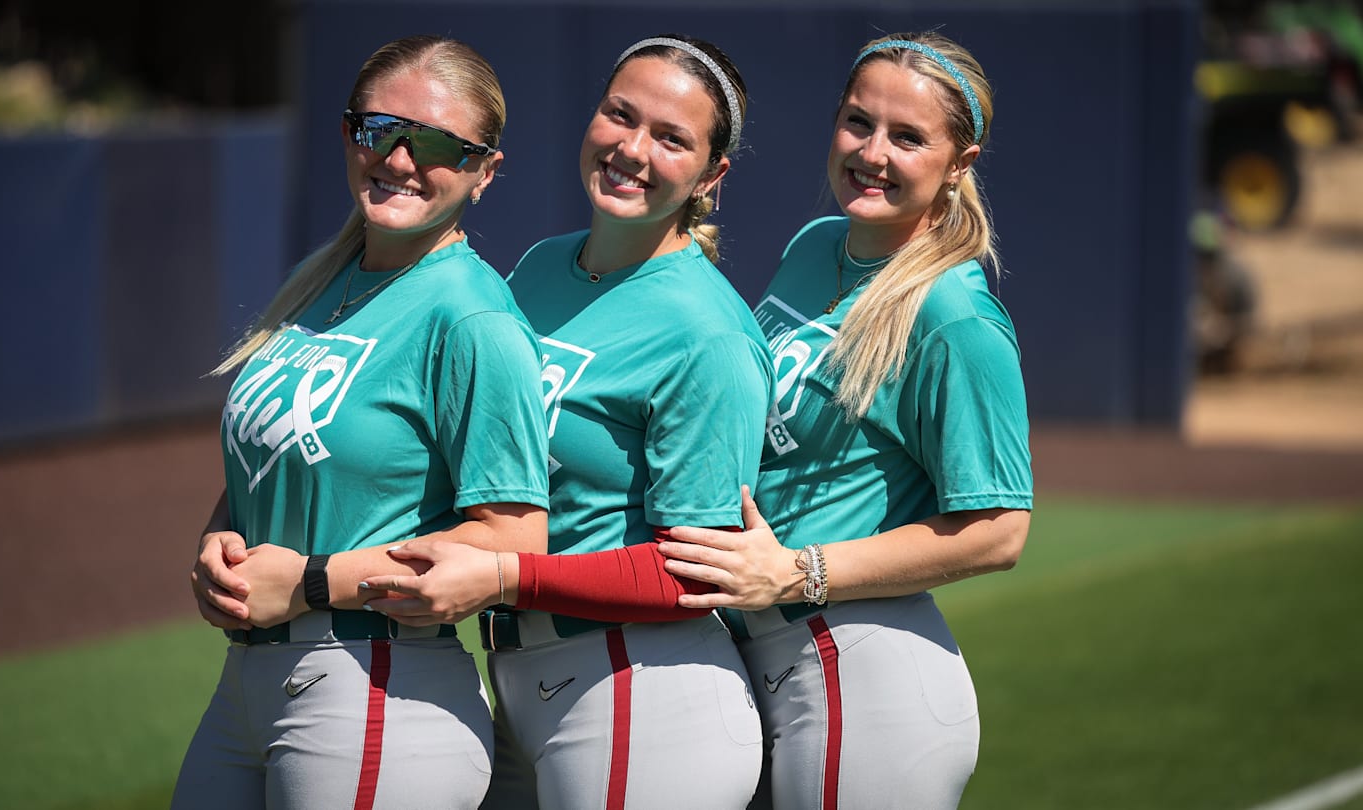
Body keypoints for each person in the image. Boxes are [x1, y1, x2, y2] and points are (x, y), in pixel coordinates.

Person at [358, 34, 773, 810]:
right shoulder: (543, 266)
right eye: (620, 114)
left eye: (671, 137)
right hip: (521, 682)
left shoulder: (708, 333)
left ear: (711, 175)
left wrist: (504, 573)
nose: (631, 148)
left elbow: (695, 572)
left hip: (644, 693)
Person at [656, 32, 1033, 810]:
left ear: (959, 163)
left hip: (859, 674)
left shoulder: (955, 316)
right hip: (761, 661)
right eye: (859, 123)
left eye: (908, 137)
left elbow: (1000, 530)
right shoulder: (816, 245)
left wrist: (797, 571)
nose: (874, 153)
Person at [174, 35, 550, 810]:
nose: (401, 158)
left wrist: (311, 581)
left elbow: (514, 542)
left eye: (439, 143)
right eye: (379, 129)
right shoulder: (324, 281)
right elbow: (284, 460)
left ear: (485, 172)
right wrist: (224, 536)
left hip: (378, 688)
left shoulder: (471, 314)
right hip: (250, 680)